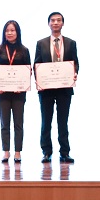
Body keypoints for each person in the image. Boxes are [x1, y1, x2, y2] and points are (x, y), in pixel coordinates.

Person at [34, 12, 79, 164]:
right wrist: (39, 80)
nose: (55, 23)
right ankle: (46, 152)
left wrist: (74, 73)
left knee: (63, 122)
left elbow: (75, 63)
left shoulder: (71, 43)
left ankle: (65, 153)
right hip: (46, 89)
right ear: (48, 24)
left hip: (64, 89)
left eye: (58, 20)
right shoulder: (41, 43)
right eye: (52, 20)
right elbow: (37, 64)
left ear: (63, 23)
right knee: (46, 122)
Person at [0, 20, 31, 163]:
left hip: (19, 93)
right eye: (7, 30)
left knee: (18, 122)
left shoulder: (24, 50)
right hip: (2, 92)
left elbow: (28, 70)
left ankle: (18, 152)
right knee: (4, 123)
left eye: (12, 30)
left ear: (17, 32)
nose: (9, 33)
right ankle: (6, 151)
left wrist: (22, 85)